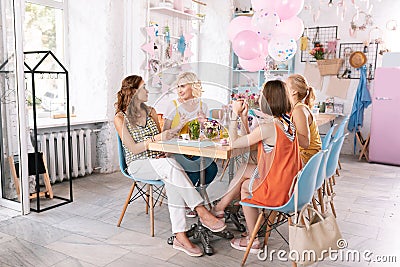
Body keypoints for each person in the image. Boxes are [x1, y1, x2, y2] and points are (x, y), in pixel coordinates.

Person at [114, 75, 226, 257]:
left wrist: (177, 129)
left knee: (172, 172)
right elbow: (133, 149)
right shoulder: (120, 117)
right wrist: (156, 140)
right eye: (143, 88)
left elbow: (162, 138)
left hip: (160, 161)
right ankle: (201, 210)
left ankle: (180, 237)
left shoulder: (150, 111)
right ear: (133, 92)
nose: (148, 91)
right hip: (138, 164)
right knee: (171, 167)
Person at [212, 80, 302, 254]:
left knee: (246, 187)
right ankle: (220, 209)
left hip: (277, 189)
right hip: (288, 181)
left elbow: (234, 143)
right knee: (245, 169)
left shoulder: (268, 128)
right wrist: (244, 117)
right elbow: (249, 141)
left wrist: (234, 114)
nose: (259, 97)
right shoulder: (286, 122)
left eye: (261, 95)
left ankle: (252, 239)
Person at [163, 72, 218, 217]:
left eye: (182, 86)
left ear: (193, 86)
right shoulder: (172, 105)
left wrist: (205, 123)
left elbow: (207, 135)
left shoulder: (202, 106)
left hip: (196, 151)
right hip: (176, 151)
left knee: (212, 169)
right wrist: (179, 127)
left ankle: (193, 199)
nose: (179, 90)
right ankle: (190, 201)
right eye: (178, 87)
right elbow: (164, 133)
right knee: (193, 166)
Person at [286, 74, 322, 164]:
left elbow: (305, 143)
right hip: (306, 155)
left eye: (285, 85)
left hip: (307, 158)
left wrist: (284, 128)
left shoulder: (299, 110)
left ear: (294, 91)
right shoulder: (297, 108)